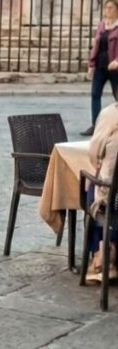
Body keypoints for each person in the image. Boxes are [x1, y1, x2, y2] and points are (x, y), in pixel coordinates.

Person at [86, 101, 118, 282]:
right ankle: (111, 249)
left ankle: (102, 255)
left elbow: (94, 154)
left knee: (92, 195)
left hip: (111, 198)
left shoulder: (110, 114)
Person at [82, 0, 118, 136]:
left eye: (111, 8)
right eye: (106, 8)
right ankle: (95, 126)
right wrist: (92, 64)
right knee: (95, 95)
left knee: (117, 97)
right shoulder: (102, 26)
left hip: (115, 68)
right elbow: (96, 45)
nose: (108, 10)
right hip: (100, 66)